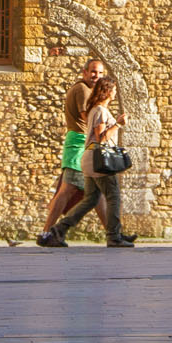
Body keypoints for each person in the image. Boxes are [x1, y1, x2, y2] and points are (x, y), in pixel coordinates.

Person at [38, 75, 134, 248]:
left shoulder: (97, 110)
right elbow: (101, 139)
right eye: (113, 90)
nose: (115, 93)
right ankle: (114, 236)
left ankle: (59, 230)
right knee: (113, 197)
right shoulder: (99, 111)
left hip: (90, 161)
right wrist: (118, 124)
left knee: (90, 200)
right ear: (107, 91)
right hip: (99, 162)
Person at [35, 58, 109, 242]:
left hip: (82, 143)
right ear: (84, 72)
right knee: (67, 190)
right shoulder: (82, 90)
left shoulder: (88, 91)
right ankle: (47, 233)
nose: (96, 76)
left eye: (100, 73)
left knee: (96, 193)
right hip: (79, 144)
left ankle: (113, 233)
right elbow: (89, 118)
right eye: (93, 72)